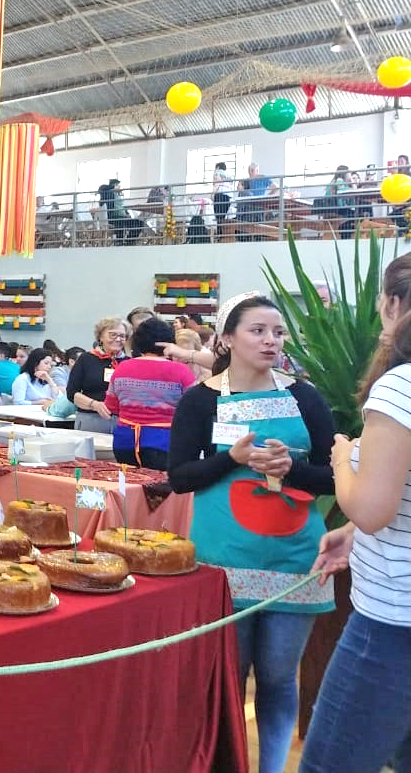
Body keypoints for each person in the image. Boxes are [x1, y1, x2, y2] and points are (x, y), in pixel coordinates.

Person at [168, 293, 335, 773]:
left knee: (281, 678)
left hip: (295, 556)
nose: (271, 341)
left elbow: (334, 474)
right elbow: (179, 477)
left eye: (278, 332)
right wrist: (231, 460)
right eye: (258, 331)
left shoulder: (305, 396)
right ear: (226, 339)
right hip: (223, 557)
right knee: (228, 675)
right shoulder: (200, 400)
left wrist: (291, 469)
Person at [299, 254, 411, 773]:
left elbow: (371, 508)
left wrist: (343, 455)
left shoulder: (400, 386)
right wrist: (353, 533)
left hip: (394, 620)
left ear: (390, 304)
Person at [103, 318, 194, 468]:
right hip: (164, 442)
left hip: (125, 442)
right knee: (160, 489)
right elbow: (192, 409)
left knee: (129, 487)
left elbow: (111, 406)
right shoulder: (181, 371)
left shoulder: (122, 368)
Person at [66, 317, 127, 434]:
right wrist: (94, 405)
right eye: (113, 335)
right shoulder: (86, 359)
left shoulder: (129, 362)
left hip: (122, 422)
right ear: (101, 337)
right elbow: (71, 393)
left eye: (122, 336)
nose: (118, 339)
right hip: (91, 419)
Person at [98, 178, 143, 245]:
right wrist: (113, 188)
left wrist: (127, 213)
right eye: (118, 185)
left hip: (122, 216)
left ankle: (129, 242)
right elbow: (101, 188)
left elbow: (121, 206)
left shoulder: (119, 195)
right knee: (120, 222)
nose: (120, 187)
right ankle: (119, 242)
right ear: (115, 185)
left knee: (138, 223)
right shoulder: (108, 192)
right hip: (113, 217)